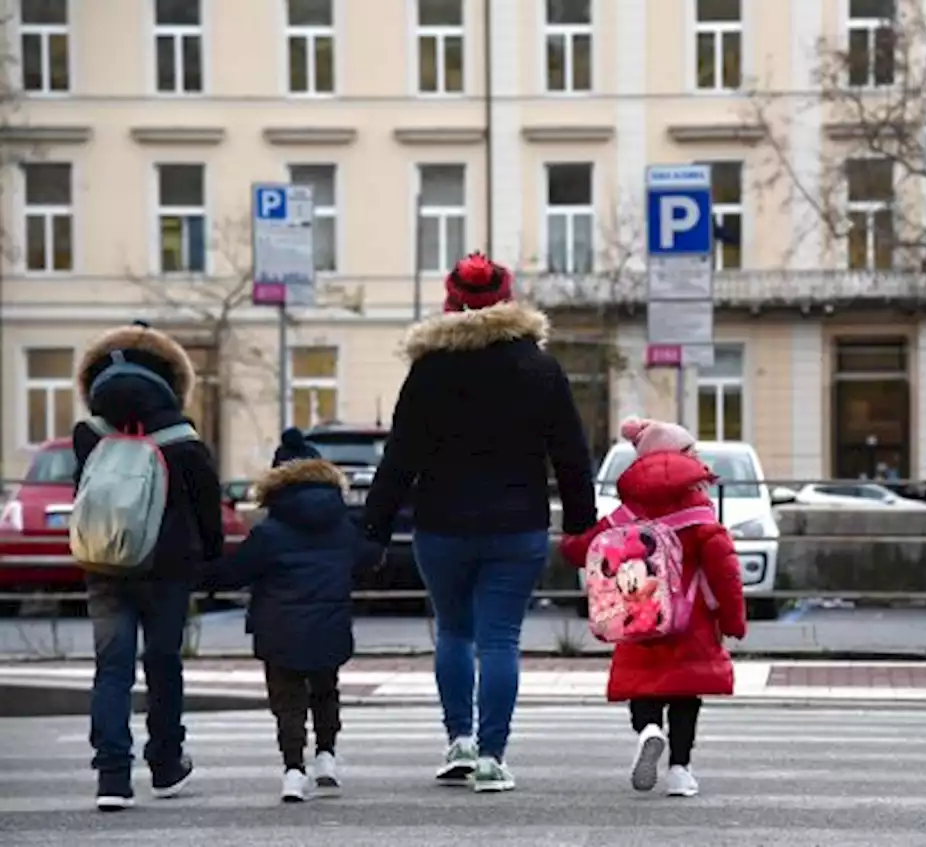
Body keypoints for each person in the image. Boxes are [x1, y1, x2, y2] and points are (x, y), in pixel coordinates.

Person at [361, 252, 597, 793]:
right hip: (518, 526)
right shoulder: (539, 368)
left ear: (452, 301)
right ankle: (492, 756)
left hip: (442, 524)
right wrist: (582, 524)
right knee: (499, 640)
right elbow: (571, 454)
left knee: (454, 631)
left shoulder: (429, 370)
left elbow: (400, 457)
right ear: (506, 300)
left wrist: (373, 528)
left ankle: (458, 741)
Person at [72, 321, 225, 811]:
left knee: (111, 670)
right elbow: (208, 512)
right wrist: (213, 567)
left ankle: (112, 778)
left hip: (105, 565)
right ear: (171, 381)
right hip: (168, 571)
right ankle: (165, 764)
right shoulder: (184, 439)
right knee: (163, 665)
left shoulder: (88, 436)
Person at [561, 417, 747, 798]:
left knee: (642, 687)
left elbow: (579, 550)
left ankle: (648, 729)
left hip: (637, 616)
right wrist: (733, 619)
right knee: (685, 695)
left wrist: (571, 536)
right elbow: (723, 568)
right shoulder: (699, 511)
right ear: (684, 457)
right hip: (690, 621)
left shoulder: (627, 512)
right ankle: (680, 770)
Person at [199, 428, 383, 802]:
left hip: (278, 629)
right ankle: (327, 757)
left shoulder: (269, 533)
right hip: (330, 625)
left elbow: (234, 575)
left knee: (288, 702)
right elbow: (366, 559)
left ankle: (293, 771)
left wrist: (201, 567)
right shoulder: (342, 527)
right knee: (325, 691)